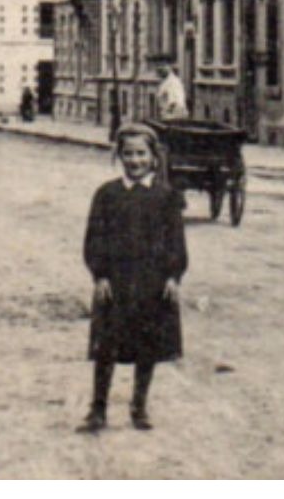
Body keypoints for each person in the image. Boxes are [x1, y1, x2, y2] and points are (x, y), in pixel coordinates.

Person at [78, 125, 188, 434]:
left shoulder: (166, 197)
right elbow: (93, 239)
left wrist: (173, 276)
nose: (135, 160)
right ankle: (97, 409)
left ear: (154, 157)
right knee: (106, 347)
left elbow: (176, 242)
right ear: (118, 156)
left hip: (152, 284)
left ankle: (139, 405)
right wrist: (99, 275)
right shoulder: (107, 195)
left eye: (141, 154)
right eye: (128, 154)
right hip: (116, 283)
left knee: (147, 345)